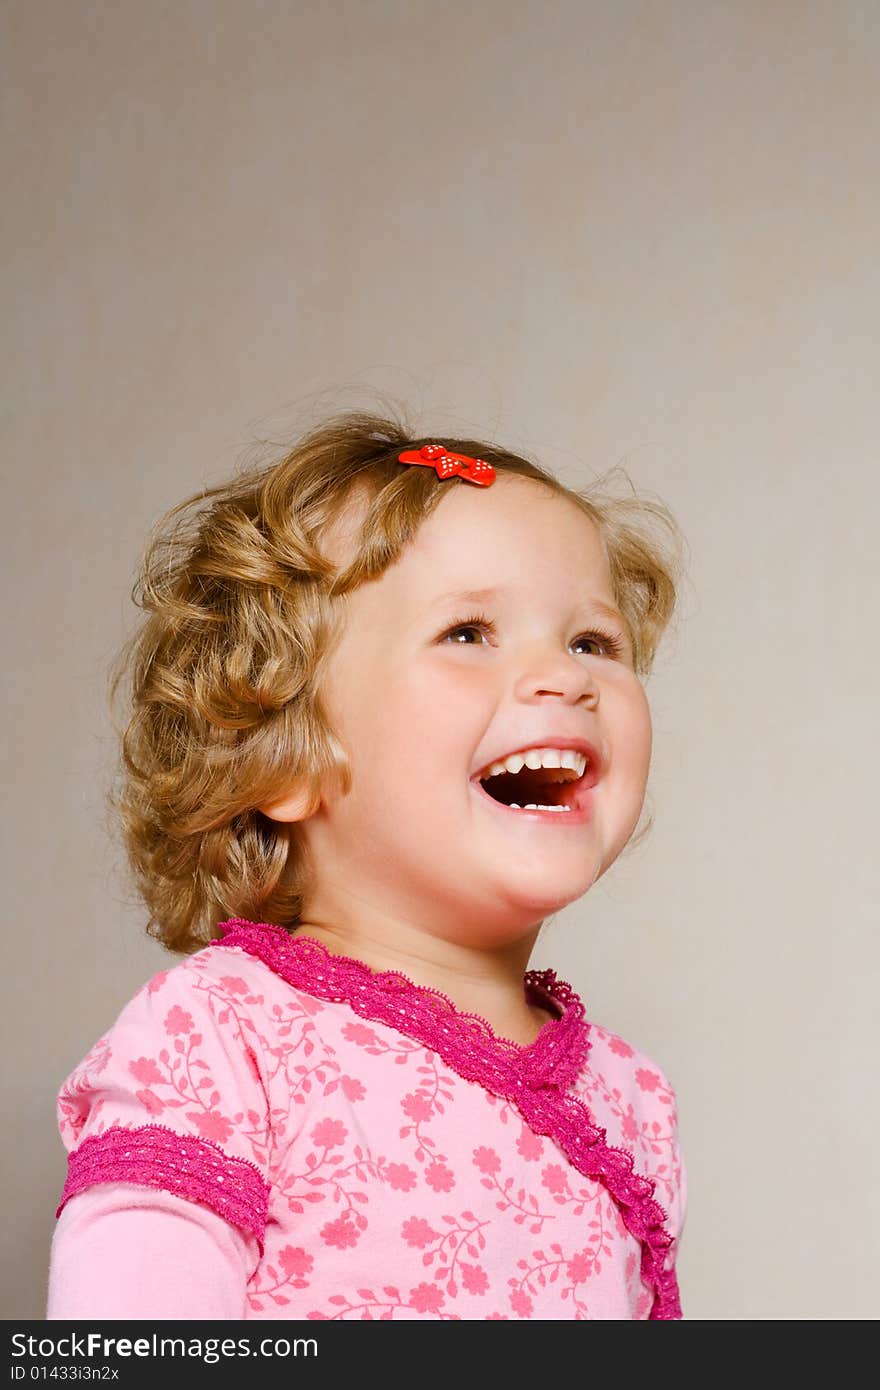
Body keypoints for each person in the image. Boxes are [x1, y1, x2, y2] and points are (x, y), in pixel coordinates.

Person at [46, 410, 689, 1320]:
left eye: (592, 642)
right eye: (468, 631)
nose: (566, 677)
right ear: (285, 755)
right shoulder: (226, 1036)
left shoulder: (631, 1104)